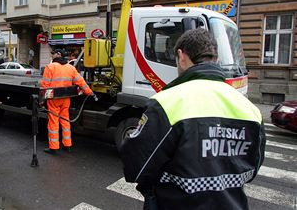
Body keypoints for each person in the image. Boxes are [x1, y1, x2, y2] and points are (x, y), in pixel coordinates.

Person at [119, 28, 266, 210]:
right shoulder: (249, 109)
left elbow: (136, 166)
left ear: (181, 56)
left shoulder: (166, 103)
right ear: (216, 59)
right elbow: (253, 167)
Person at [40, 48, 95, 154]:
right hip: (66, 99)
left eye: (53, 54)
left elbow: (45, 86)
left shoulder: (50, 67)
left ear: (58, 55)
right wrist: (89, 92)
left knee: (53, 123)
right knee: (65, 121)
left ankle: (54, 147)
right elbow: (80, 81)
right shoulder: (70, 67)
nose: (52, 56)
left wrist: (42, 100)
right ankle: (67, 144)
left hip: (54, 99)